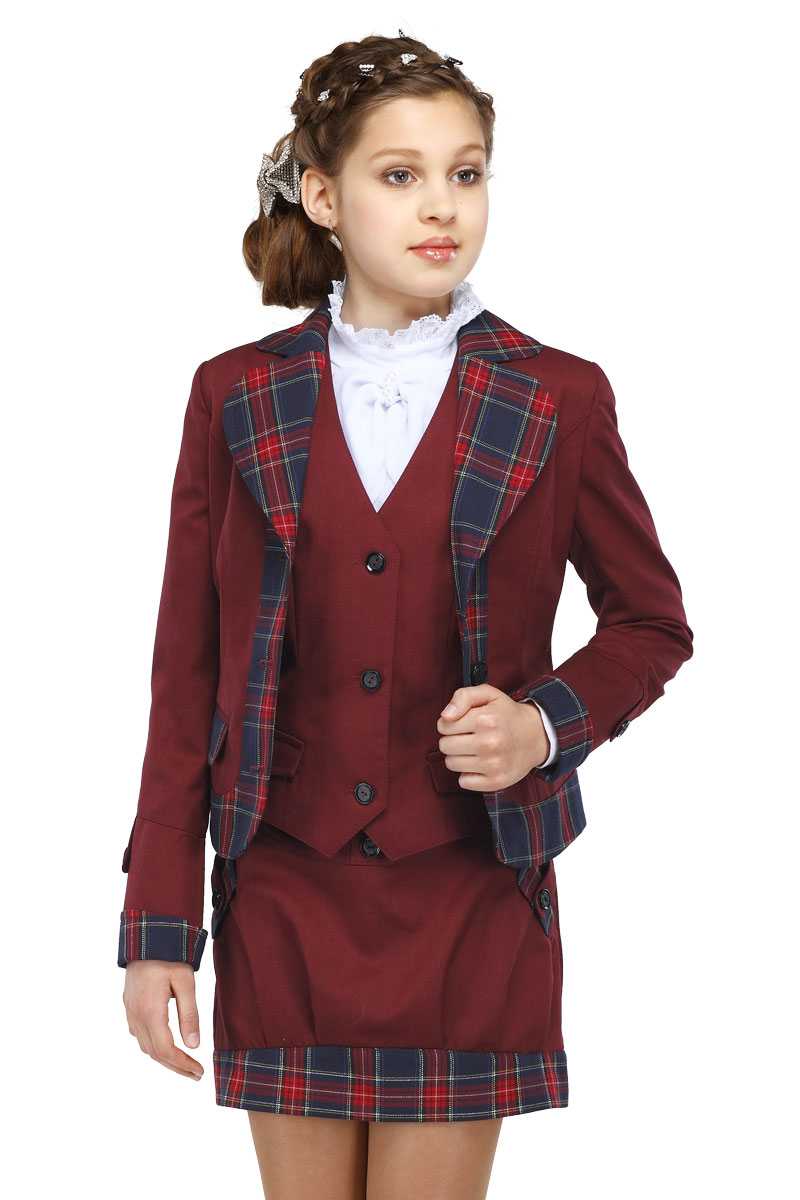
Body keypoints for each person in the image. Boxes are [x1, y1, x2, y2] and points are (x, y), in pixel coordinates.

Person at [119, 30, 694, 1200]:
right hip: (284, 888)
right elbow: (187, 673)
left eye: (465, 173)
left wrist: (541, 725)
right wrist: (159, 925)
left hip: (470, 891)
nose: (441, 206)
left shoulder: (557, 396)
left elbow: (649, 621)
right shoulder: (234, 395)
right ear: (323, 197)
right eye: (400, 174)